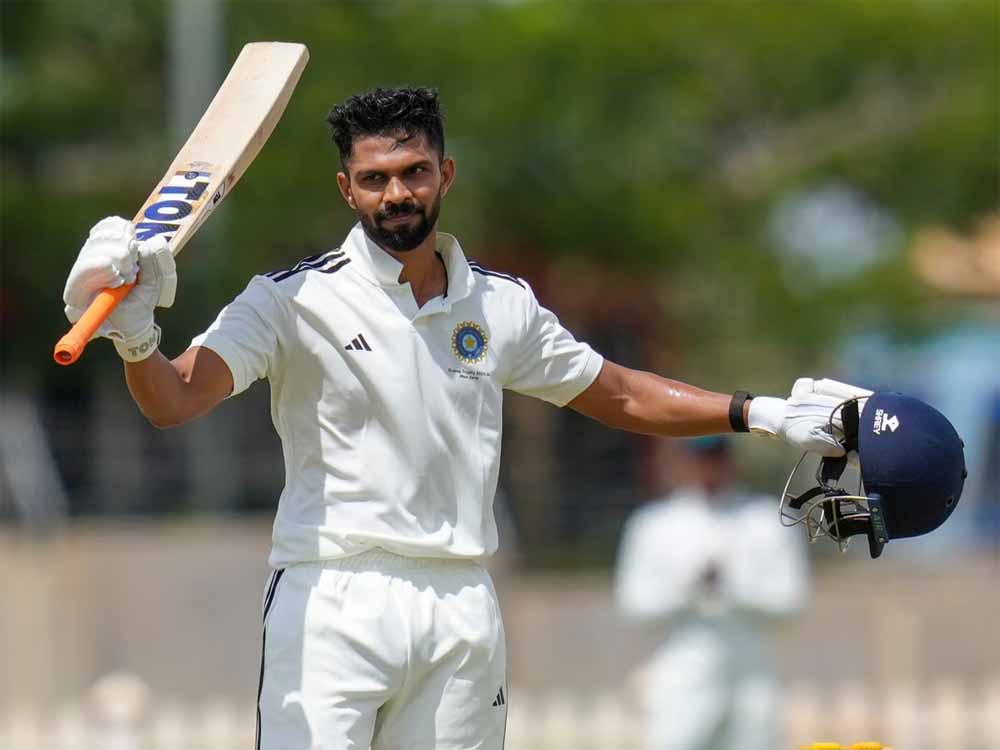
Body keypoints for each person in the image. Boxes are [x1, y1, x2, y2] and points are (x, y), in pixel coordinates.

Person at [61, 87, 866, 750]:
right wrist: (135, 336)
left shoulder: (500, 305)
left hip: (461, 599)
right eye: (375, 179)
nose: (396, 195)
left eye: (413, 172)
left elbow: (620, 393)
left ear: (445, 174)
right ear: (346, 189)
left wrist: (762, 412)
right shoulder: (290, 300)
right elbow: (175, 399)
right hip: (333, 591)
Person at [615, 437, 809, 750]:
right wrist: (689, 588)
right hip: (683, 669)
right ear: (683, 461)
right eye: (700, 457)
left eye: (716, 455)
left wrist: (734, 586)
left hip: (751, 674)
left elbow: (790, 600)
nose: (708, 466)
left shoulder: (766, 519)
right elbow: (635, 604)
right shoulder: (654, 524)